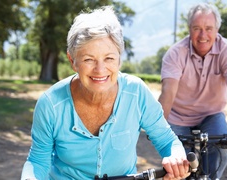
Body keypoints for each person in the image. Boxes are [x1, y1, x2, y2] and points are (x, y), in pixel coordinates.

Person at [21, 6, 191, 180]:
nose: (100, 70)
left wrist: (176, 156)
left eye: (109, 58)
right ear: (73, 61)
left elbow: (167, 140)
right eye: (88, 59)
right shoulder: (50, 104)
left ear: (119, 60)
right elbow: (38, 161)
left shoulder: (137, 93)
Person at [158, 2, 227, 179]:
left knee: (222, 149)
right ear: (189, 29)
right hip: (178, 117)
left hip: (211, 115)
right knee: (179, 164)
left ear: (217, 29)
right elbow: (168, 91)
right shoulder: (175, 53)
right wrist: (157, 127)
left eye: (209, 28)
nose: (203, 35)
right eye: (197, 28)